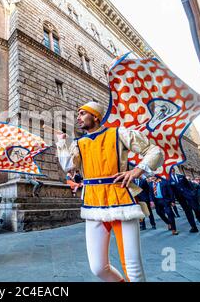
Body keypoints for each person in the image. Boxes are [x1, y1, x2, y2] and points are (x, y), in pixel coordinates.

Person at [56, 101, 164, 282]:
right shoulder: (78, 143)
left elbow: (154, 151)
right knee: (98, 268)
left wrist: (136, 171)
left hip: (121, 199)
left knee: (133, 267)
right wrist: (61, 143)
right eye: (78, 114)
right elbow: (68, 166)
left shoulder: (118, 133)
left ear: (95, 116)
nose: (78, 117)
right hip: (93, 203)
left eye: (82, 113)